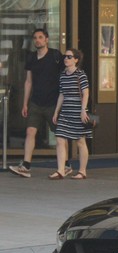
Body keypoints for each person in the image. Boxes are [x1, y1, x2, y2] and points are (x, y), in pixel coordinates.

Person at [9, 28, 68, 178]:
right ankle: (26, 166)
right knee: (30, 132)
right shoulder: (31, 58)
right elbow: (28, 81)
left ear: (47, 39)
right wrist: (25, 103)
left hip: (53, 102)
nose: (37, 40)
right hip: (36, 101)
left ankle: (66, 165)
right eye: (35, 38)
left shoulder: (56, 56)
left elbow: (67, 74)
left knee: (60, 135)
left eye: (41, 37)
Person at [51, 49, 91, 179]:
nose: (66, 59)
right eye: (65, 57)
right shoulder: (63, 75)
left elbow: (86, 93)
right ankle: (61, 170)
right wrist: (56, 111)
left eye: (69, 57)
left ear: (76, 59)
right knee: (60, 138)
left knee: (80, 141)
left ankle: (82, 171)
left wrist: (83, 110)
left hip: (78, 111)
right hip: (66, 112)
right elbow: (61, 94)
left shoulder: (81, 75)